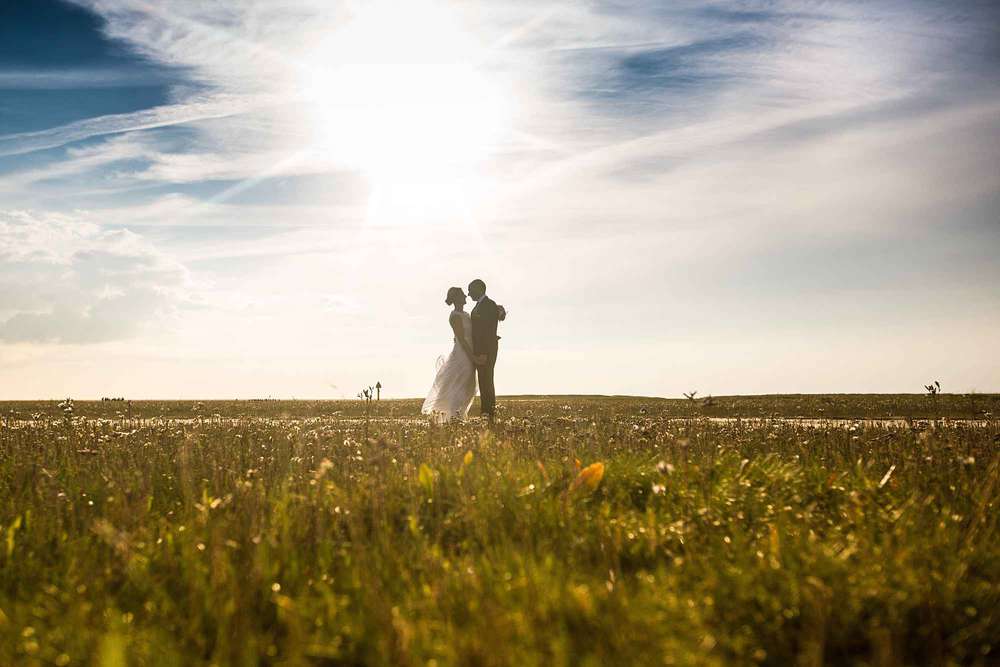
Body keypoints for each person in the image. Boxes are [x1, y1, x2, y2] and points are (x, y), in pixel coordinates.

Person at [421, 287, 477, 422]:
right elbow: (462, 339)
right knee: (460, 385)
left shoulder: (466, 314)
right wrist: (472, 357)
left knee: (468, 385)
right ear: (457, 298)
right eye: (463, 294)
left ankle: (459, 416)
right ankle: (453, 417)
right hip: (463, 354)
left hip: (470, 352)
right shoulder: (455, 316)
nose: (465, 296)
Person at [467, 278, 505, 420]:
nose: (469, 293)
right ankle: (486, 412)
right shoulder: (479, 305)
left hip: (486, 350)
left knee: (487, 380)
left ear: (479, 289)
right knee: (483, 380)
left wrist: (483, 352)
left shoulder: (488, 305)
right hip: (479, 350)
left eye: (470, 290)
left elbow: (487, 330)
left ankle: (489, 413)